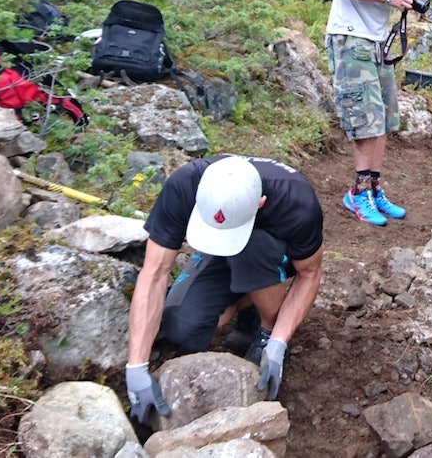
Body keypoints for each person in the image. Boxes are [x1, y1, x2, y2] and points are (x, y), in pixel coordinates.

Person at [123, 154, 324, 421]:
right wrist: (136, 366)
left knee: (254, 247)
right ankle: (249, 296)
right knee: (181, 327)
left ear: (260, 203)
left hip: (271, 251)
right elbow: (155, 273)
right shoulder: (184, 185)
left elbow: (309, 274)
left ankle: (264, 326)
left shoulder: (296, 203)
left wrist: (278, 341)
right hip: (216, 251)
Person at [325, 0, 422, 227]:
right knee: (364, 119)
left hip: (378, 37)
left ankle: (373, 189)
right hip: (350, 35)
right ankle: (357, 193)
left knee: (381, 118)